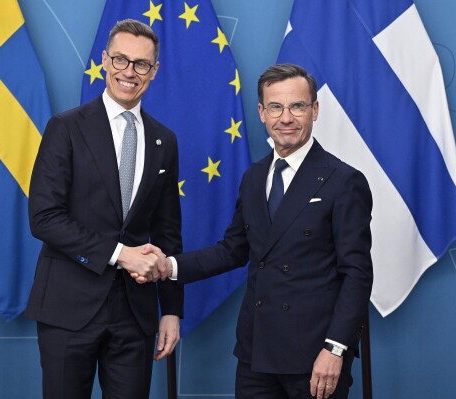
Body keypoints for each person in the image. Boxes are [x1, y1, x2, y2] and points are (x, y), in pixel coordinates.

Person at [148, 63, 373, 399]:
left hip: (315, 356)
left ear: (314, 110)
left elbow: (357, 274)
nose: (286, 118)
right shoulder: (254, 177)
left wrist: (336, 349)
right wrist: (170, 266)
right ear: (261, 113)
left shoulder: (344, 181)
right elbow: (233, 250)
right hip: (256, 354)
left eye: (297, 106)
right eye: (275, 107)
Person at [25, 19, 183, 399]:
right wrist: (120, 254)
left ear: (154, 70)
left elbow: (168, 233)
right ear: (105, 61)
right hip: (68, 308)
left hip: (136, 314)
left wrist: (172, 311)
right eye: (121, 60)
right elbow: (44, 218)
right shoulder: (65, 128)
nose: (129, 72)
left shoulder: (165, 140)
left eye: (141, 64)